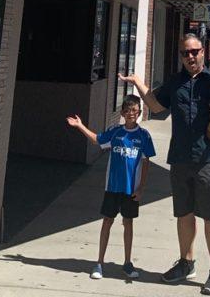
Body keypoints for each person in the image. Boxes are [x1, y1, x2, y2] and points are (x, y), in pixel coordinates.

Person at [121, 33, 210, 295]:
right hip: (181, 158)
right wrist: (138, 82)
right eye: (185, 53)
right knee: (184, 214)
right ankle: (186, 263)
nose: (190, 56)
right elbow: (155, 104)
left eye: (194, 51)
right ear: (181, 57)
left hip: (208, 158)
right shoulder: (176, 82)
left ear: (203, 53)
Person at [66, 94, 155, 280]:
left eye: (134, 110)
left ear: (139, 112)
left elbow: (146, 163)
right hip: (112, 187)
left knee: (128, 223)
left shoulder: (144, 136)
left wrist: (141, 188)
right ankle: (99, 263)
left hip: (131, 189)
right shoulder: (115, 131)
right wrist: (80, 126)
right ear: (122, 112)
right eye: (128, 110)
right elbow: (96, 140)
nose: (131, 113)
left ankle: (128, 263)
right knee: (107, 221)